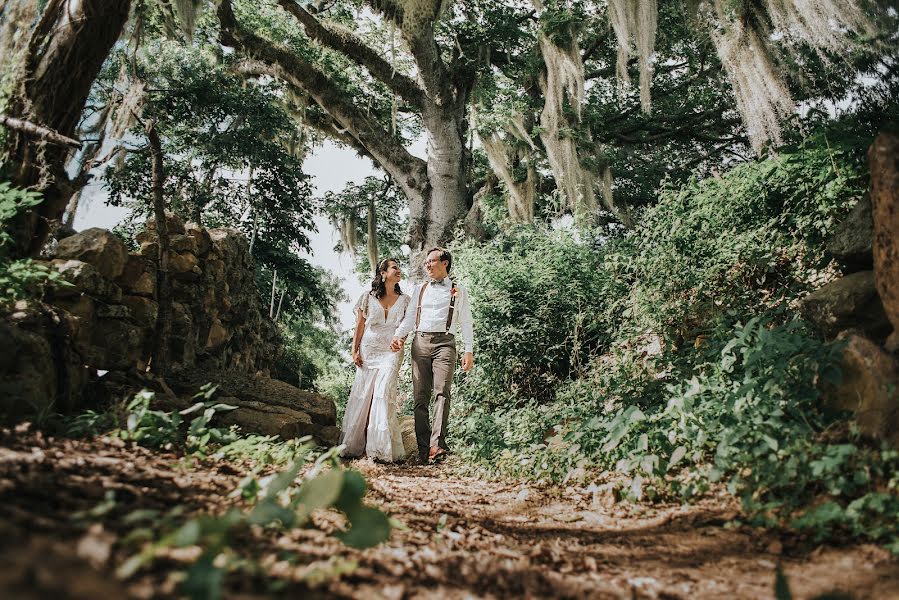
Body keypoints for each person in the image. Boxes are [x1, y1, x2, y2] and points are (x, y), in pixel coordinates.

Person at [391, 247, 474, 465]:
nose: (427, 265)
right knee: (420, 398)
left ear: (444, 263)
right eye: (426, 262)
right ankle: (422, 449)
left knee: (442, 393)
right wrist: (399, 336)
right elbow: (410, 318)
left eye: (431, 261)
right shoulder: (420, 288)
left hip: (445, 343)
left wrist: (468, 350)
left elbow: (465, 320)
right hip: (420, 343)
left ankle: (437, 446)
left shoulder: (458, 289)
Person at [340, 258, 410, 461]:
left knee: (383, 392)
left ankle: (379, 448)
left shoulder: (406, 300)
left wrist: (401, 341)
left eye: (399, 267)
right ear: (383, 273)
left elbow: (406, 326)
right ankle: (359, 446)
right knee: (364, 394)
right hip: (369, 350)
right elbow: (360, 326)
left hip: (392, 351)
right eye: (395, 267)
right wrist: (354, 350)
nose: (399, 270)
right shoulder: (367, 297)